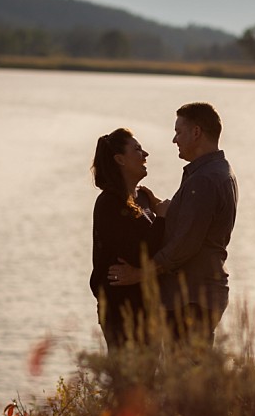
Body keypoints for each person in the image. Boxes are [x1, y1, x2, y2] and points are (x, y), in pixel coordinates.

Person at [110, 102, 238, 347]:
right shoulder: (216, 171)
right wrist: (161, 207)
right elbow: (195, 224)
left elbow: (184, 245)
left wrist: (140, 274)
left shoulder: (204, 180)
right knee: (188, 377)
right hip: (199, 295)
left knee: (185, 379)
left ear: (196, 133)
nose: (174, 139)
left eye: (179, 132)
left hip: (191, 299)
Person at [90, 128, 166, 352]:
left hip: (148, 308)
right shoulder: (109, 204)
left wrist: (157, 208)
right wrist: (161, 218)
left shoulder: (142, 197)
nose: (146, 155)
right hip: (122, 312)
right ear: (120, 159)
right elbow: (138, 254)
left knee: (148, 382)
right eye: (138, 149)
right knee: (130, 381)